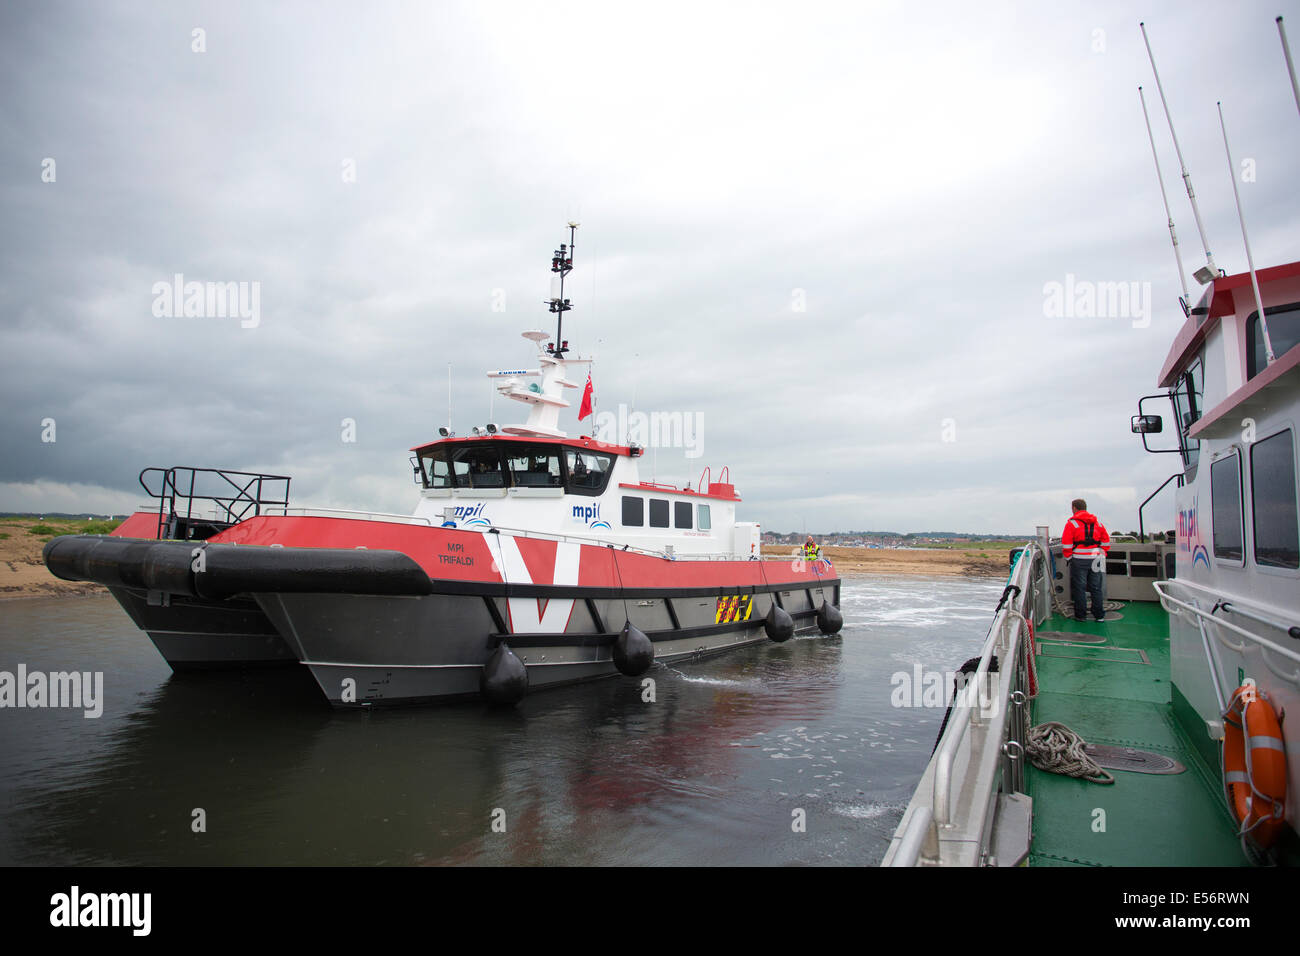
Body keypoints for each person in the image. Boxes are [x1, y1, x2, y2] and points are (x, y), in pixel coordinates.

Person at [1062, 498, 1111, 622]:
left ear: (1074, 508)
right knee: (1096, 587)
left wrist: (1069, 558)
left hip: (1079, 560)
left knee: (1080, 588)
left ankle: (1081, 615)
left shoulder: (1071, 524)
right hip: (1096, 559)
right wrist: (1101, 553)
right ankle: (1099, 615)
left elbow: (1066, 544)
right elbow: (1106, 541)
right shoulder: (1098, 524)